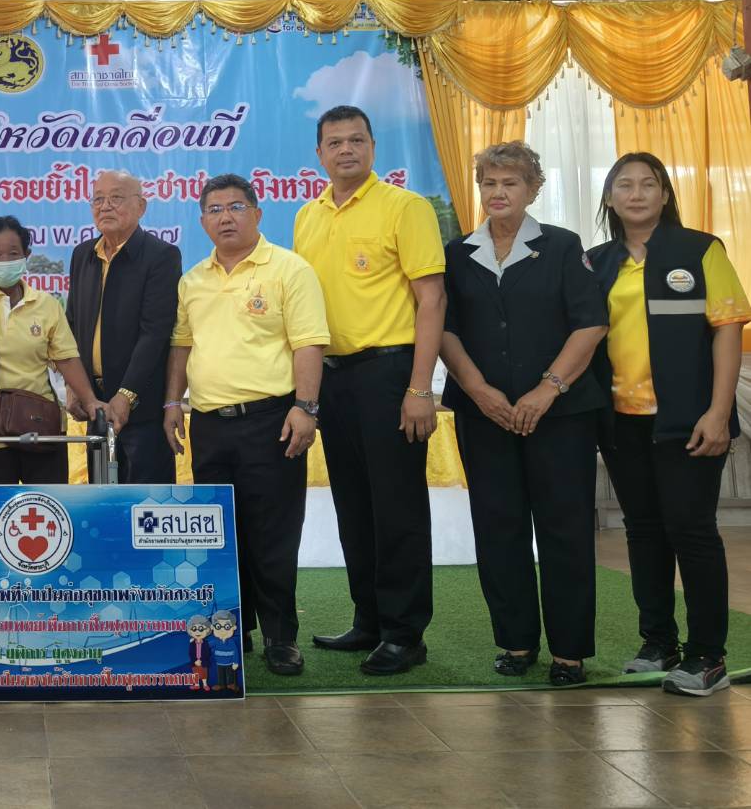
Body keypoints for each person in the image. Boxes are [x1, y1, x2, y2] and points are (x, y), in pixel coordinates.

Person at [438, 142, 607, 686]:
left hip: (560, 416)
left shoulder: (562, 246)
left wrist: (547, 389)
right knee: (498, 528)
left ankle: (569, 652)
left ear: (534, 189)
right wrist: (480, 390)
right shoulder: (457, 253)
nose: (498, 192)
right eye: (489, 183)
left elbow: (590, 324)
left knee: (564, 530)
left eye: (510, 183)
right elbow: (444, 329)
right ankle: (514, 642)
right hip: (483, 414)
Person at [587, 152, 750, 697]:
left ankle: (709, 657)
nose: (636, 193)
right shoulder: (597, 261)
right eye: (624, 185)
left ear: (664, 194)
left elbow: (727, 329)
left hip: (688, 420)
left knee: (692, 531)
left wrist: (719, 411)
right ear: (609, 197)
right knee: (643, 532)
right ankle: (658, 642)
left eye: (648, 184)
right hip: (622, 421)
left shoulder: (700, 249)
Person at [293, 105, 446, 675]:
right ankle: (370, 620)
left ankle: (407, 634)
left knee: (398, 506)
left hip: (389, 374)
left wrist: (420, 388)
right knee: (354, 505)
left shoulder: (405, 208)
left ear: (373, 146)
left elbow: (431, 300)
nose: (346, 150)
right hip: (331, 380)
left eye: (357, 139)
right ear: (320, 154)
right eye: (334, 142)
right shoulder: (308, 216)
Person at [165, 174, 328, 675]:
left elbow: (308, 343)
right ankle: (233, 631)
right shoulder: (193, 280)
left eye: (236, 206)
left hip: (271, 421)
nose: (225, 217)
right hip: (210, 425)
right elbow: (181, 346)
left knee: (273, 532)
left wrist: (306, 406)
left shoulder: (289, 270)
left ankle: (282, 637)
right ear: (203, 221)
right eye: (214, 209)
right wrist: (173, 402)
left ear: (258, 214)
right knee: (217, 535)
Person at [0, 216, 105, 484]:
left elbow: (68, 359)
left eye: (13, 254)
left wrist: (90, 401)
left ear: (26, 255)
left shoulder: (46, 304)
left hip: (42, 431)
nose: (6, 261)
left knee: (46, 517)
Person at [66, 170, 182, 483]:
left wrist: (125, 396)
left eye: (116, 198)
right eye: (98, 199)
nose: (105, 207)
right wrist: (76, 388)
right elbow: (72, 326)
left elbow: (154, 333)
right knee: (103, 507)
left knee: (146, 510)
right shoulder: (82, 255)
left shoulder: (161, 256)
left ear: (141, 206)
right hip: (95, 405)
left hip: (142, 407)